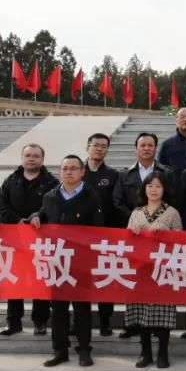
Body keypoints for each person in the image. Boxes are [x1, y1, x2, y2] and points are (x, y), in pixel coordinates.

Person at [30, 154, 105, 367]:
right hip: (57, 261)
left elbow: (98, 228)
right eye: (65, 168)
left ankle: (84, 349)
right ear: (59, 172)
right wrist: (35, 216)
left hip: (81, 262)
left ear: (82, 172)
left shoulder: (92, 196)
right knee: (58, 308)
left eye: (73, 168)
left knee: (82, 308)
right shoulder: (50, 196)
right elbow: (43, 214)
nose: (69, 172)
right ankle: (60, 350)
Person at [113, 132, 176, 339]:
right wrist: (139, 222)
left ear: (156, 148)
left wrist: (155, 223)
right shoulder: (124, 174)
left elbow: (175, 199)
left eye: (150, 145)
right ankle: (132, 325)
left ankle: (159, 328)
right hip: (136, 240)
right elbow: (117, 202)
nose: (146, 148)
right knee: (136, 285)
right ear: (136, 148)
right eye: (142, 145)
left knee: (160, 285)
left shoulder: (167, 173)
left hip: (161, 246)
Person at [0, 143, 57, 336]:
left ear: (42, 159)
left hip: (41, 239)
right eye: (28, 155)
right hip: (16, 239)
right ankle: (13, 322)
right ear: (22, 158)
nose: (31, 159)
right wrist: (17, 220)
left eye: (35, 156)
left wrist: (35, 217)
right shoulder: (11, 180)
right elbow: (0, 202)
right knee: (15, 280)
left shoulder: (51, 182)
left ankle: (40, 321)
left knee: (41, 281)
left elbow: (52, 206)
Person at [125, 171, 182, 369]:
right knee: (141, 312)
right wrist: (132, 233)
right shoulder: (136, 213)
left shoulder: (172, 212)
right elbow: (126, 242)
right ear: (144, 189)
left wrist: (166, 233)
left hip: (163, 269)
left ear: (164, 189)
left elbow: (181, 240)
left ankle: (163, 352)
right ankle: (145, 352)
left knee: (163, 312)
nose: (154, 190)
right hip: (141, 270)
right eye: (150, 186)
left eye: (158, 186)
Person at [82, 133, 121, 338]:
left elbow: (117, 204)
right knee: (81, 281)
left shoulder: (113, 175)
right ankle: (81, 321)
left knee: (106, 279)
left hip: (106, 236)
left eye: (104, 146)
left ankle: (105, 321)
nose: (99, 149)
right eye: (96, 145)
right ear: (87, 147)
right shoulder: (76, 171)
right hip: (80, 237)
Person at [156, 107, 186, 174]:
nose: (185, 119)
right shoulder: (166, 145)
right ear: (176, 120)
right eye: (181, 117)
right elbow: (159, 169)